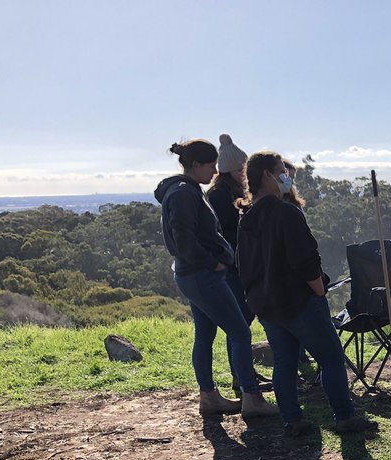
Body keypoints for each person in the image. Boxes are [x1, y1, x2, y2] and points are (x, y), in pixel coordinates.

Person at [235, 151, 372, 436]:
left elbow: (244, 264)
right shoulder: (286, 212)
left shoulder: (246, 218)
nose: (286, 177)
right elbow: (306, 257)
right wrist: (318, 287)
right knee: (331, 358)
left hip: (267, 304)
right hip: (298, 301)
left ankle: (292, 421)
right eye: (281, 171)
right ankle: (345, 417)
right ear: (267, 176)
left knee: (284, 361)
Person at [155, 138, 277, 419]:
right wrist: (215, 263)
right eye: (210, 166)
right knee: (240, 332)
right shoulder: (185, 193)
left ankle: (209, 396)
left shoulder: (185, 190)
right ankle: (251, 396)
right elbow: (184, 239)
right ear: (195, 165)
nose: (213, 171)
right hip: (202, 275)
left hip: (194, 275)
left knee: (206, 334)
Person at [206, 134, 267, 395]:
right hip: (233, 267)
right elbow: (227, 231)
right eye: (240, 169)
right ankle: (239, 378)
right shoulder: (219, 195)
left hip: (244, 263)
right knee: (239, 323)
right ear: (230, 170)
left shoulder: (235, 191)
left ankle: (244, 373)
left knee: (244, 320)